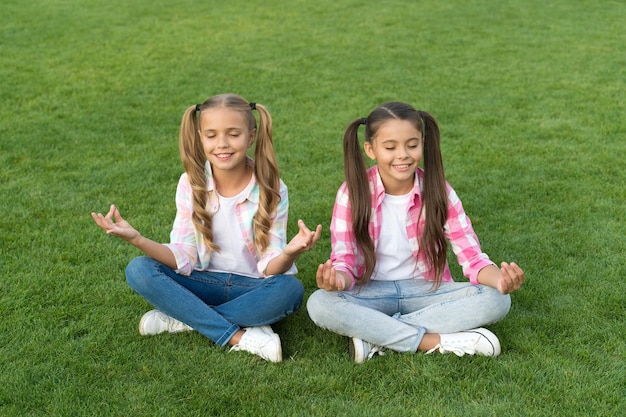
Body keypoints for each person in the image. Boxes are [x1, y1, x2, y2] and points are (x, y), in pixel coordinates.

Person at [92, 93, 321, 362]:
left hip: (252, 288)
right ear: (200, 138)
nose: (222, 144)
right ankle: (238, 336)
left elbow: (271, 266)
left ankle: (186, 319)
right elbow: (183, 254)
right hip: (202, 281)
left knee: (289, 290)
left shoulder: (272, 187)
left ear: (250, 136)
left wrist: (290, 253)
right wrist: (138, 239)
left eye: (233, 134)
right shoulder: (190, 183)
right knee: (139, 269)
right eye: (211, 135)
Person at [306, 101, 524, 364]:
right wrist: (336, 281)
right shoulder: (351, 193)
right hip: (372, 292)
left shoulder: (439, 192)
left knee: (498, 300)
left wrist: (500, 280)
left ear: (422, 143)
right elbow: (345, 262)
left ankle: (377, 335)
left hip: (427, 292)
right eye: (390, 147)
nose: (403, 155)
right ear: (370, 149)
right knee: (319, 303)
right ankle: (434, 341)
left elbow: (472, 259)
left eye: (412, 145)